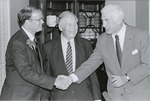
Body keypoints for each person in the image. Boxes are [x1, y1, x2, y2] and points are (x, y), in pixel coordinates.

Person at [61, 4, 150, 101]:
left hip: (140, 95)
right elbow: (91, 63)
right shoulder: (103, 39)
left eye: (107, 20)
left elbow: (148, 65)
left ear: (119, 20)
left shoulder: (141, 35)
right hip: (115, 96)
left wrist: (127, 77)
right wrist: (71, 78)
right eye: (102, 21)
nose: (103, 25)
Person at [0, 6, 71, 100]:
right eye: (39, 19)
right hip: (19, 97)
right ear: (27, 21)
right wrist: (54, 81)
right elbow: (26, 72)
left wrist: (58, 78)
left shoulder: (34, 40)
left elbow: (42, 68)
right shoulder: (17, 42)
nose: (42, 22)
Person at [42, 11, 102, 101]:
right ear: (61, 27)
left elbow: (92, 73)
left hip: (84, 96)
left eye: (75, 24)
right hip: (61, 98)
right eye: (69, 24)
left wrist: (97, 98)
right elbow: (46, 77)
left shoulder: (86, 44)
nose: (73, 28)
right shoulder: (48, 47)